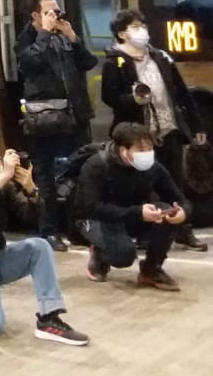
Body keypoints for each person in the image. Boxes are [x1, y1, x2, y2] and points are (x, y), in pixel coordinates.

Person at [0, 135, 88, 345]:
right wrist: (3, 176)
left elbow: (31, 216)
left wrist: (31, 189)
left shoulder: (2, 185)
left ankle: (49, 318)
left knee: (39, 247)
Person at [101, 8, 208, 251]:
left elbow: (182, 92)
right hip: (138, 135)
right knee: (142, 185)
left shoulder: (160, 57)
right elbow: (109, 97)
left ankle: (183, 230)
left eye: (142, 25)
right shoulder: (114, 62)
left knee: (174, 183)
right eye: (135, 27)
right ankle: (144, 233)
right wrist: (134, 100)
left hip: (168, 129)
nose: (142, 31)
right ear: (122, 34)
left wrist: (196, 125)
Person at [16, 0, 97, 249]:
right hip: (45, 120)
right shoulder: (27, 38)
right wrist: (44, 33)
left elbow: (89, 62)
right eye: (49, 12)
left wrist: (72, 36)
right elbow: (30, 63)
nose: (56, 16)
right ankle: (49, 230)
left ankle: (80, 226)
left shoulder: (63, 37)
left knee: (83, 171)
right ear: (36, 15)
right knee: (46, 177)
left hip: (75, 115)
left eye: (57, 11)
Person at [73, 121, 190, 290]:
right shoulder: (96, 165)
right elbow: (90, 207)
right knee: (123, 257)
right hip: (97, 218)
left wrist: (182, 212)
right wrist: (138, 212)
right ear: (124, 150)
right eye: (141, 149)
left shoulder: (153, 168)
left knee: (166, 212)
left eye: (150, 148)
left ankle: (151, 270)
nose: (147, 154)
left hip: (131, 215)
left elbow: (180, 199)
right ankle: (100, 254)